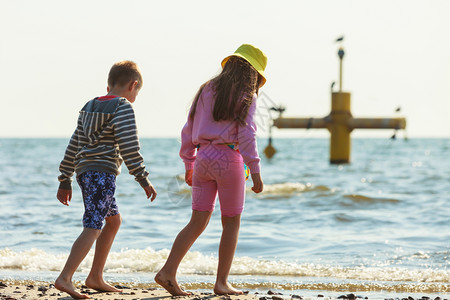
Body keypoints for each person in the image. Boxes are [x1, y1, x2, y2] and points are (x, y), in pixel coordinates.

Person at [155, 44, 267, 296]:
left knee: (197, 220)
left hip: (203, 158)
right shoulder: (247, 94)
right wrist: (255, 169)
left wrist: (189, 163)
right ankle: (221, 282)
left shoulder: (206, 88)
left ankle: (168, 271)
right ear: (254, 74)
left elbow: (188, 128)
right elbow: (247, 133)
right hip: (229, 159)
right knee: (231, 223)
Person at [55, 60, 157, 299]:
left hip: (84, 173)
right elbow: (129, 146)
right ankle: (65, 278)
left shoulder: (89, 106)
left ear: (109, 83)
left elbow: (74, 143)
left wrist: (65, 178)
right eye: (137, 92)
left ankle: (95, 277)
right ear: (133, 85)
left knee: (113, 222)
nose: (135, 97)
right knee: (93, 225)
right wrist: (143, 178)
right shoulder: (123, 107)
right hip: (102, 174)